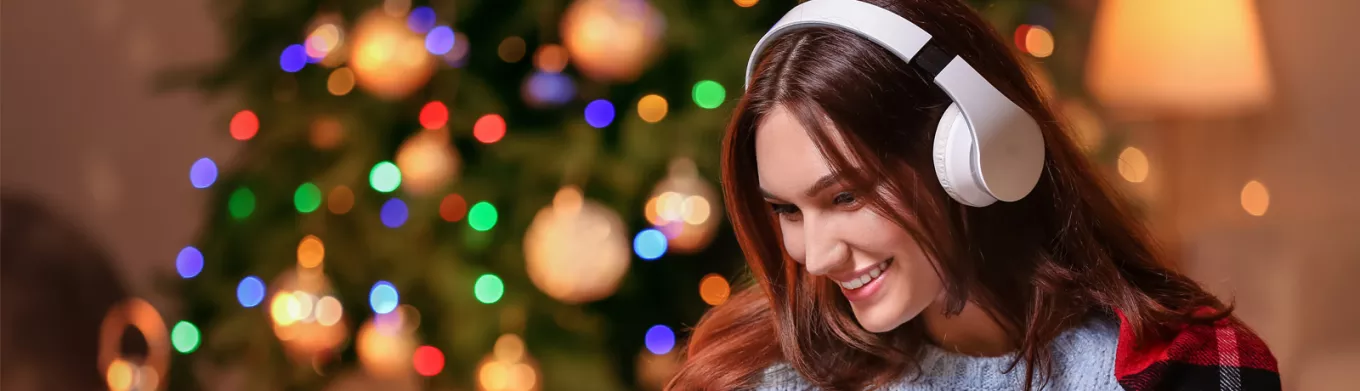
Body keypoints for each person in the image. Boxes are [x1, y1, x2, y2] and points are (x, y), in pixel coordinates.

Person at [665, 0, 1280, 390]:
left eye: (846, 197)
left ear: (975, 155)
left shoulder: (1185, 370)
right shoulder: (754, 378)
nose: (817, 255)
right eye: (786, 211)